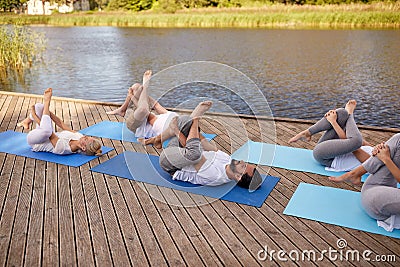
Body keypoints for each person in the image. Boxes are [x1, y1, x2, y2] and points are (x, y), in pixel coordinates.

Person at [142, 101, 263, 191]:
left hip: (170, 163)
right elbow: (205, 143)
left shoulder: (215, 176)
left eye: (243, 166)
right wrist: (190, 126)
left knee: (195, 152)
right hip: (183, 150)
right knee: (185, 121)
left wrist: (190, 123)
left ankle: (193, 117)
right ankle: (158, 140)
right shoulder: (228, 160)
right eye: (245, 163)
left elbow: (191, 152)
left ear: (238, 177)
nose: (241, 161)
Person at [329, 134, 400, 232]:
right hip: (374, 190)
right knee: (398, 139)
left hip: (377, 202)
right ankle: (355, 173)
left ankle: (354, 174)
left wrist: (386, 159)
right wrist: (380, 152)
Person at [289, 100, 372, 172]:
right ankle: (308, 132)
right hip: (333, 147)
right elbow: (358, 143)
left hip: (324, 156)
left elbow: (353, 145)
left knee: (356, 141)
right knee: (342, 113)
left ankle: (350, 114)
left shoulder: (372, 162)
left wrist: (334, 122)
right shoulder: (376, 151)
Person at [17, 88, 102, 156]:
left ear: (83, 148)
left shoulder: (64, 149)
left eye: (86, 139)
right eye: (88, 136)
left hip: (35, 141)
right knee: (39, 107)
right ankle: (27, 121)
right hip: (45, 131)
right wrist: (45, 111)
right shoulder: (78, 136)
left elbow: (49, 134)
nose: (85, 136)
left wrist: (37, 113)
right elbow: (61, 124)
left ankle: (30, 117)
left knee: (47, 130)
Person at [106, 70, 178, 139]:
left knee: (141, 105)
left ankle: (123, 110)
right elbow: (155, 105)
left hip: (136, 125)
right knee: (136, 87)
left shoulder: (165, 127)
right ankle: (122, 109)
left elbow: (145, 111)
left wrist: (143, 88)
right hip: (142, 116)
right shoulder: (175, 116)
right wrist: (141, 90)